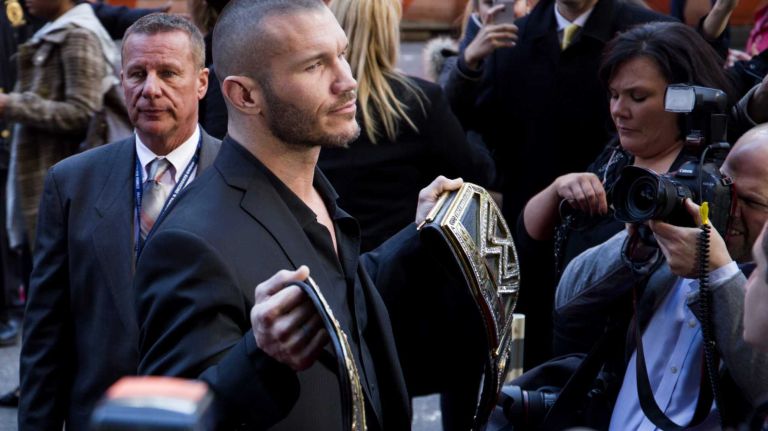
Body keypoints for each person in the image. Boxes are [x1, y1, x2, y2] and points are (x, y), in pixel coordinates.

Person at [134, 1, 474, 429]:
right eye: (314, 66)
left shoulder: (314, 191)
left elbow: (339, 295)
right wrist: (261, 357)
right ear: (245, 95)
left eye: (342, 55)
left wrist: (420, 235)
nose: (347, 81)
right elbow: (174, 419)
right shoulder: (187, 243)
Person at [18, 13, 220, 430]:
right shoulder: (72, 183)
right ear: (120, 79)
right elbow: (46, 334)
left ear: (202, 82)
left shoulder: (242, 178)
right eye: (137, 74)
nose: (151, 89)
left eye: (168, 73)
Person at [519, 21, 735, 356]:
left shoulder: (703, 182)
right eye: (614, 95)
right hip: (564, 355)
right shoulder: (615, 158)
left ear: (687, 100)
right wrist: (558, 189)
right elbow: (529, 237)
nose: (619, 110)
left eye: (638, 97)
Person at [555, 123, 768, 429]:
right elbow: (566, 303)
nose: (730, 206)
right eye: (724, 186)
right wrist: (634, 248)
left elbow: (763, 385)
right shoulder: (677, 234)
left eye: (750, 201)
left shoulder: (760, 285)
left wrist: (719, 274)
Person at [320, 0, 492, 252]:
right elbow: (474, 175)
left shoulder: (315, 104)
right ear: (389, 33)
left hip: (329, 254)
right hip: (398, 257)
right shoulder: (418, 100)